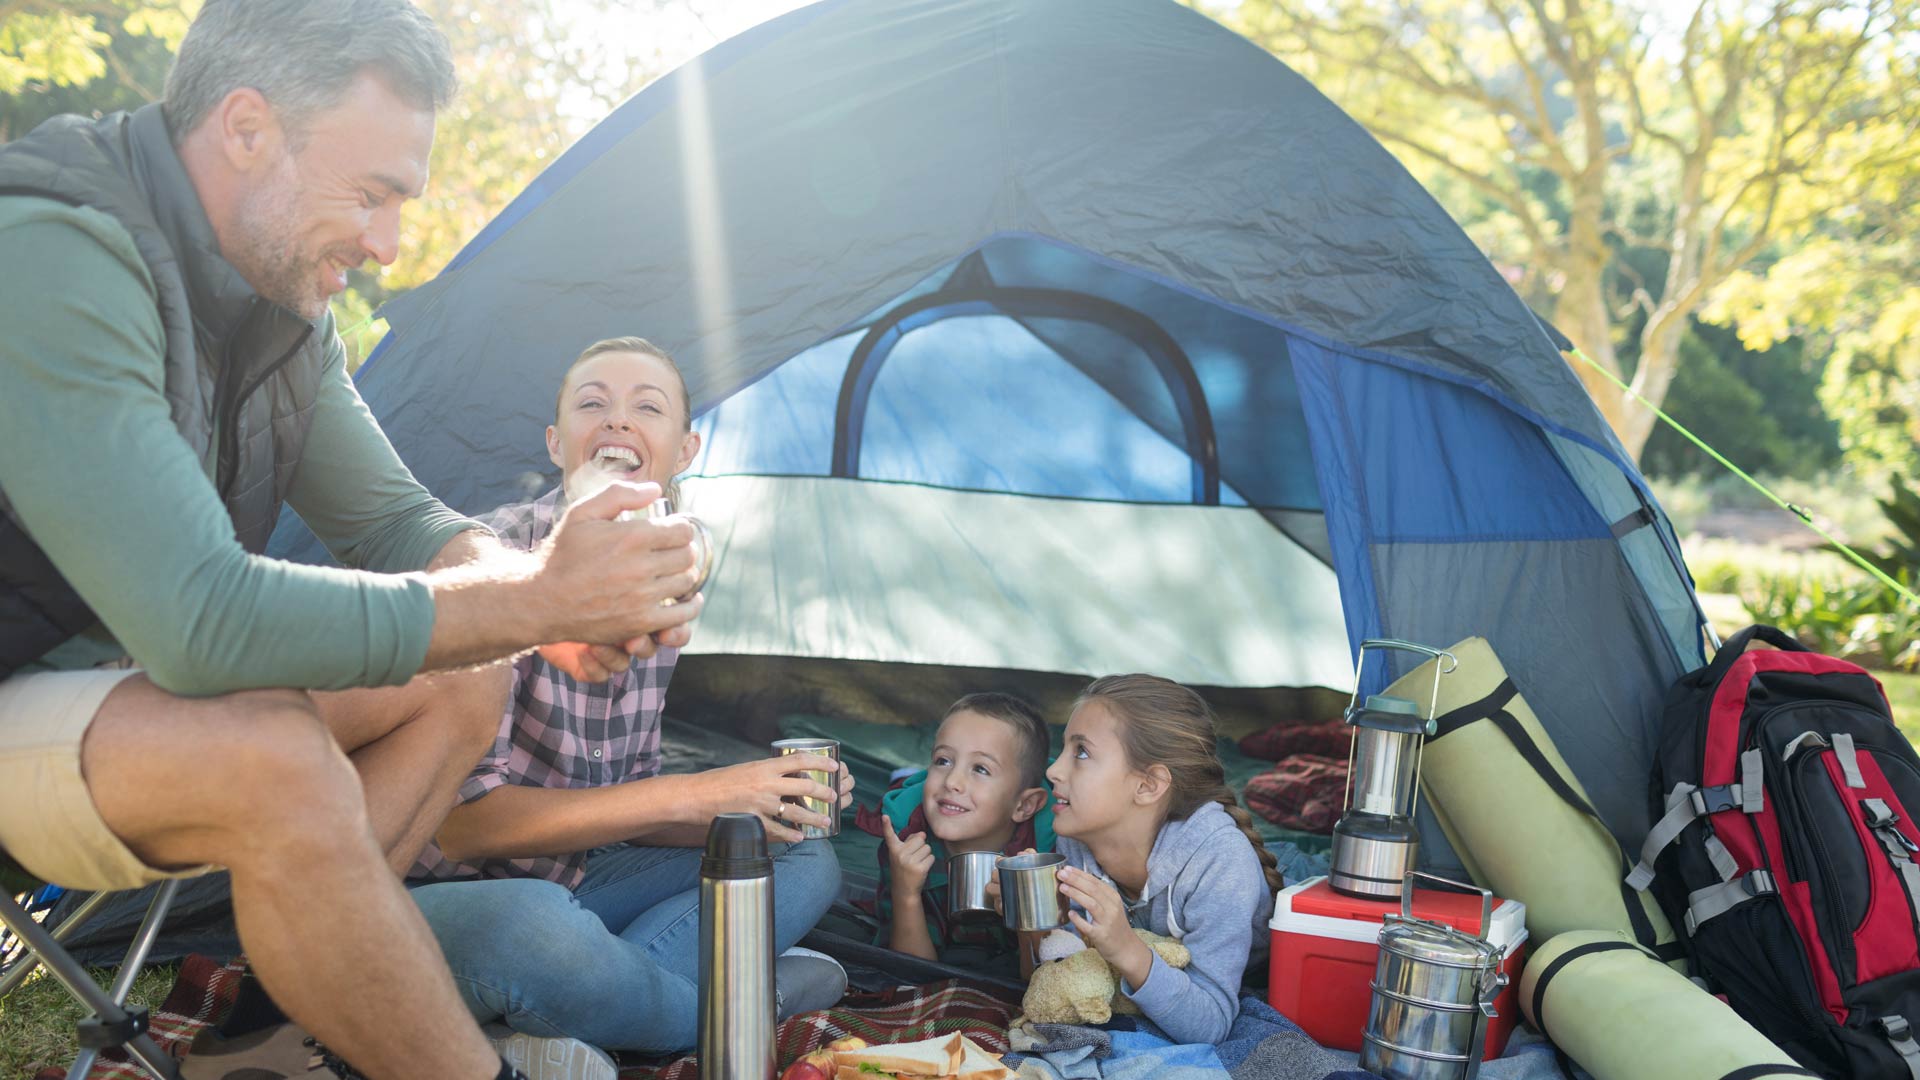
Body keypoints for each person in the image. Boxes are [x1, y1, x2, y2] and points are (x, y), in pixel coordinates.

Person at [0, 4, 704, 1079]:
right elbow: (200, 622)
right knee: (274, 757)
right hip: (23, 684)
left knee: (471, 673)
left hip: (111, 687)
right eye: (371, 194)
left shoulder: (279, 309)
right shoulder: (54, 250)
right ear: (246, 129)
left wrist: (549, 600)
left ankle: (307, 1031)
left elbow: (402, 523)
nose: (386, 246)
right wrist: (536, 603)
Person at [406, 337, 852, 1065]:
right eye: (592, 404)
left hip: (582, 876)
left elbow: (625, 805)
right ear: (557, 444)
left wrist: (754, 804)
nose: (616, 422)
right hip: (451, 894)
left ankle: (582, 1008)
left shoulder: (663, 575)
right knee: (536, 931)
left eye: (646, 407)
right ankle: (751, 1000)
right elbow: (459, 832)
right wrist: (692, 794)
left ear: (684, 450)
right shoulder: (491, 561)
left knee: (803, 857)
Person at [1041, 674, 1284, 1045]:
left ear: (1148, 785)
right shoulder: (1075, 841)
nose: (1053, 770)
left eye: (1081, 752)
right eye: (1063, 749)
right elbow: (1064, 973)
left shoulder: (1222, 864)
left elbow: (1211, 1023)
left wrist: (1126, 950)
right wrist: (1031, 917)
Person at [874, 692, 1053, 976]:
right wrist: (905, 891)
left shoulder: (1045, 855)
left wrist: (1027, 917)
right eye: (943, 761)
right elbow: (910, 977)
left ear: (1024, 805)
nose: (953, 782)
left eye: (980, 769)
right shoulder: (906, 839)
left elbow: (1041, 985)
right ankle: (903, 779)